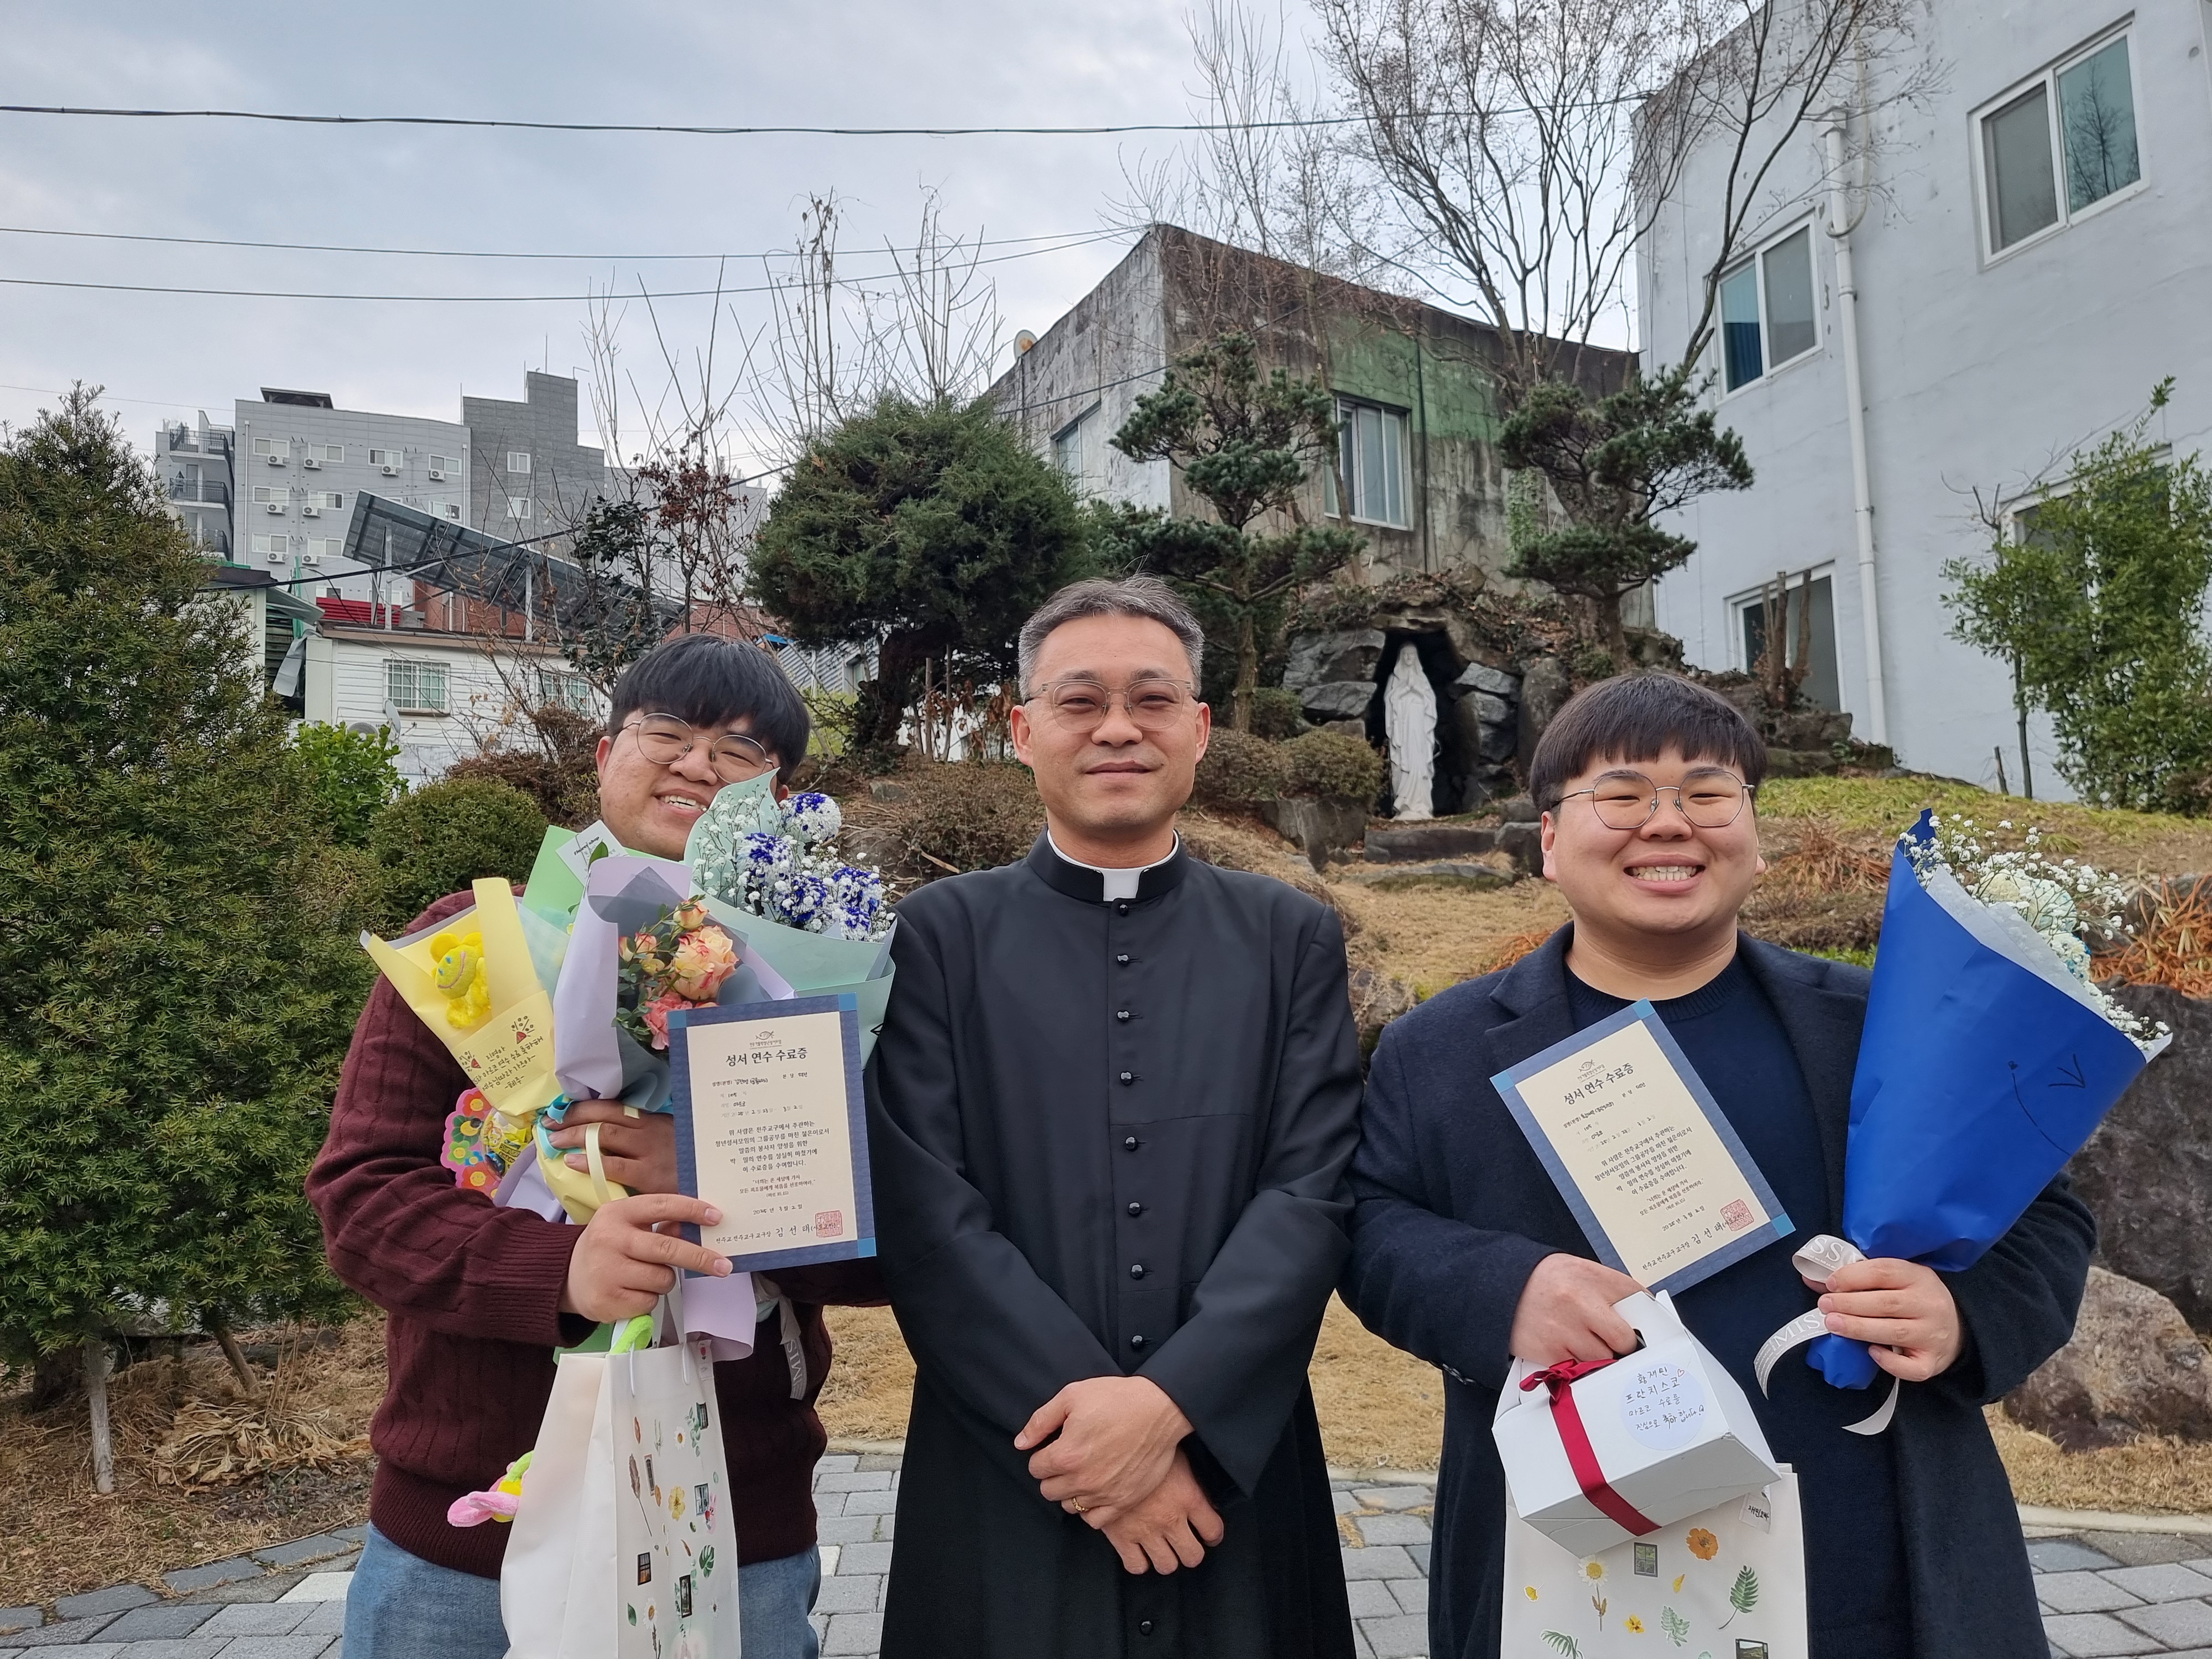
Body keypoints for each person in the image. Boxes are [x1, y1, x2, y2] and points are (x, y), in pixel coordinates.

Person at [1340, 671, 2093, 1659]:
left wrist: (1962, 1313)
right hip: (1572, 1564)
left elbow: (2044, 1217)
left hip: (1871, 1557)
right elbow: (1367, 1223)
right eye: (1621, 795)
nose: (1668, 822)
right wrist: (1501, 1288)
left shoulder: (1875, 1026)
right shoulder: (1440, 1051)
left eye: (1707, 792)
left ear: (1754, 834)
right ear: (1550, 841)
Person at [310, 632, 882, 1659]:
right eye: (669, 733)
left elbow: (891, 1246)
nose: (699, 764)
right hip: (465, 1521)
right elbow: (364, 1201)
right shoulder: (472, 948)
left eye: (741, 751)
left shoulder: (819, 979)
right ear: (607, 752)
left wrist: (714, 1176)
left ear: (780, 798)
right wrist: (563, 1271)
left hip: (731, 1520)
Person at [867, 576, 1362, 1658]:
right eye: (1080, 701)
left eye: (1151, 700)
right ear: (1022, 731)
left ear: (1199, 728)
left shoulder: (1289, 938)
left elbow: (1311, 1191)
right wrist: (1092, 1443)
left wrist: (1171, 1407)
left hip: (1229, 1453)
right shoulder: (938, 936)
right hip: (1008, 1457)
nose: (1118, 729)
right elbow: (925, 1214)